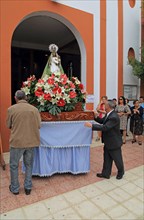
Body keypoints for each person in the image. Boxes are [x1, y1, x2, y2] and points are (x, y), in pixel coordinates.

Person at [6, 90, 41, 195]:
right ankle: (28, 187)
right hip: (31, 141)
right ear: (25, 98)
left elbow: (8, 125)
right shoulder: (34, 109)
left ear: (15, 98)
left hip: (17, 142)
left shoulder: (11, 109)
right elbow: (39, 125)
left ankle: (15, 188)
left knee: (13, 165)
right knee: (29, 165)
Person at [85, 100, 124, 180]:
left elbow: (105, 127)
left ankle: (121, 172)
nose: (103, 105)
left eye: (105, 104)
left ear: (108, 106)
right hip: (108, 141)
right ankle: (106, 174)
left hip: (114, 142)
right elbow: (103, 121)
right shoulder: (109, 114)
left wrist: (91, 126)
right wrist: (96, 116)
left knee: (117, 159)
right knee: (107, 158)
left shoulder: (114, 117)